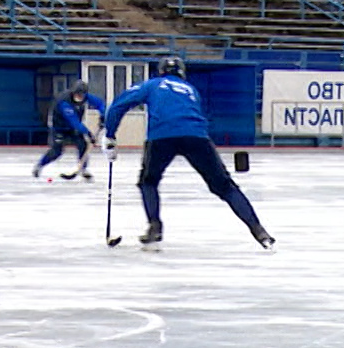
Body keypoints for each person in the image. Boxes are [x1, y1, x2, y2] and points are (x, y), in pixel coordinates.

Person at [102, 55, 274, 251]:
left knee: (148, 181)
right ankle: (259, 231)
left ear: (161, 72)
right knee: (225, 187)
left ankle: (155, 225)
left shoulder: (152, 85)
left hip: (161, 135)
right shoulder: (191, 90)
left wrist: (110, 134)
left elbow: (118, 105)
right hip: (196, 136)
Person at [33, 80, 105, 181]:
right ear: (73, 92)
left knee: (83, 145)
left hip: (73, 128)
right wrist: (88, 133)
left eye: (82, 95)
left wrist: (103, 115)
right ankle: (40, 165)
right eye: (78, 94)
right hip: (59, 127)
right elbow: (74, 122)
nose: (80, 97)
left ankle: (83, 169)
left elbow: (100, 104)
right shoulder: (64, 102)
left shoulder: (86, 97)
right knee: (56, 151)